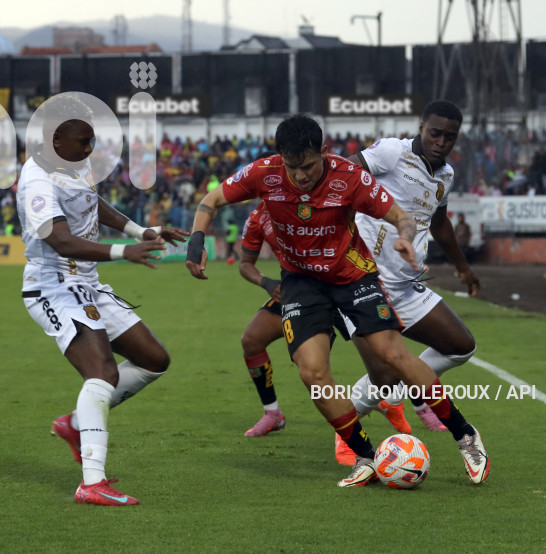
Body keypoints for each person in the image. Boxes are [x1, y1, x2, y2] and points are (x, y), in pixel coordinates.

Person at [186, 113, 489, 487]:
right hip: (300, 281)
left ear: (324, 152)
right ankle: (364, 456)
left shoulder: (350, 176)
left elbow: (401, 216)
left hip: (352, 275)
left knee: (392, 356)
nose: (300, 176)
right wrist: (196, 239)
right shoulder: (264, 172)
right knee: (312, 372)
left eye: (309, 166)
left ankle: (465, 436)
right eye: (292, 167)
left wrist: (405, 236)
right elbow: (210, 200)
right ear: (281, 158)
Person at [16, 94, 188, 506]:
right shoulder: (37, 179)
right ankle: (92, 482)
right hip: (53, 286)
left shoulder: (72, 162)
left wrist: (138, 231)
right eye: (83, 141)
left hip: (87, 283)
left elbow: (92, 203)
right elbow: (58, 240)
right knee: (102, 372)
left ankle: (77, 424)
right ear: (55, 138)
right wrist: (122, 253)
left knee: (153, 360)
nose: (90, 149)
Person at [335, 100, 483, 465]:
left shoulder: (445, 176)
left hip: (404, 285)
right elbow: (343, 177)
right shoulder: (391, 152)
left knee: (461, 346)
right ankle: (346, 431)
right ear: (421, 127)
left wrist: (463, 268)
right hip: (361, 282)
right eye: (435, 132)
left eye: (450, 136)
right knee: (385, 379)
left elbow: (440, 223)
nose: (441, 141)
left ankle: (400, 385)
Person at [237, 200, 411, 437]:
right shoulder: (257, 218)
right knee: (252, 340)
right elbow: (245, 264)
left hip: (342, 287)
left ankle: (398, 401)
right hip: (300, 293)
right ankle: (272, 414)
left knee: (384, 366)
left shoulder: (311, 199)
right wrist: (266, 283)